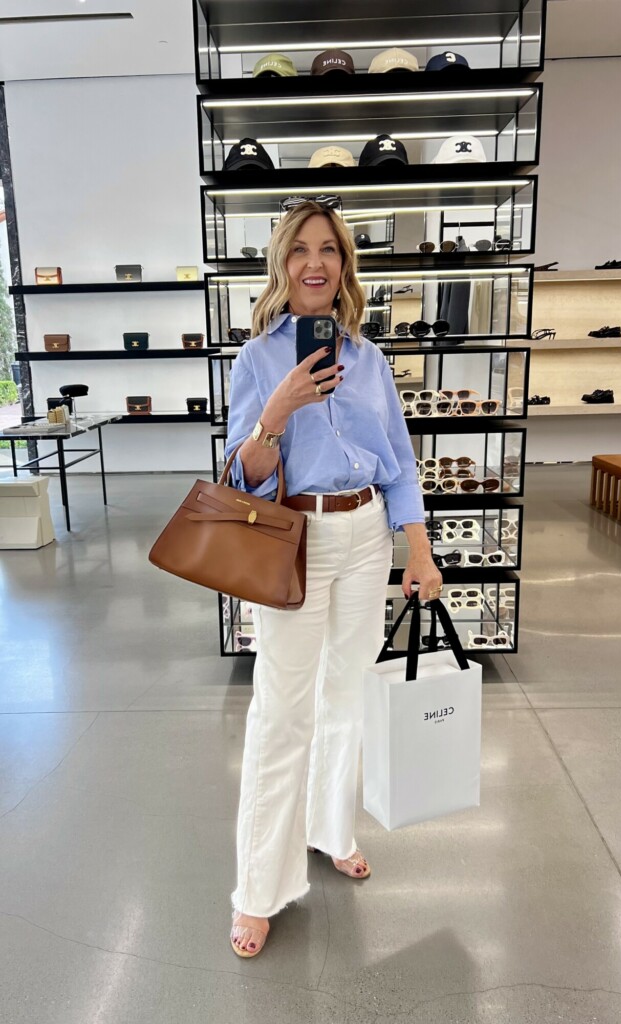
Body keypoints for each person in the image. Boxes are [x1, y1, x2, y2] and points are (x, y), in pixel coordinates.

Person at [225, 198, 443, 958]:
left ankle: (329, 828)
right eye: (300, 250)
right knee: (282, 714)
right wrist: (275, 413)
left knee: (346, 697)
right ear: (282, 265)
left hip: (364, 534)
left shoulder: (371, 358)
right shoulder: (257, 360)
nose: (315, 262)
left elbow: (401, 462)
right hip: (297, 536)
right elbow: (240, 476)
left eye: (330, 250)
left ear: (345, 266)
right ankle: (258, 888)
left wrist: (417, 547)